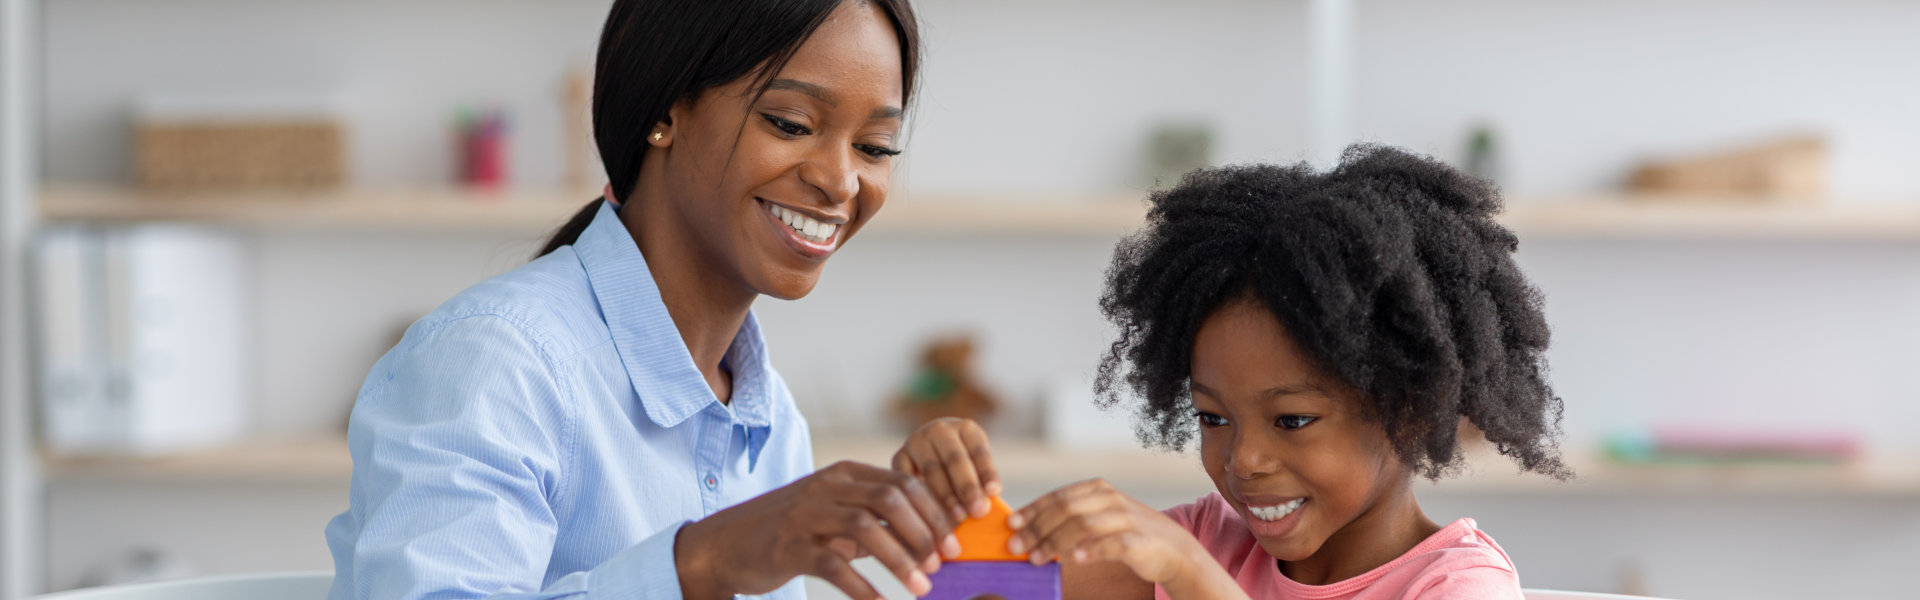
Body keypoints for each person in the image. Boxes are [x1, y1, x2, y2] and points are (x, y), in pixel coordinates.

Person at [324, 1, 954, 598]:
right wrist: (702, 563)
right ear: (667, 112)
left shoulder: (771, 419)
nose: (841, 180)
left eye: (874, 147)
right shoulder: (492, 360)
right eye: (790, 124)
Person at [896, 145, 1572, 599]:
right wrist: (947, 501)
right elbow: (984, 587)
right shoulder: (1205, 539)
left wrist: (1193, 578)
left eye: (1292, 420)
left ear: (1410, 404)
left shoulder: (1458, 585)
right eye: (1213, 417)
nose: (1243, 459)